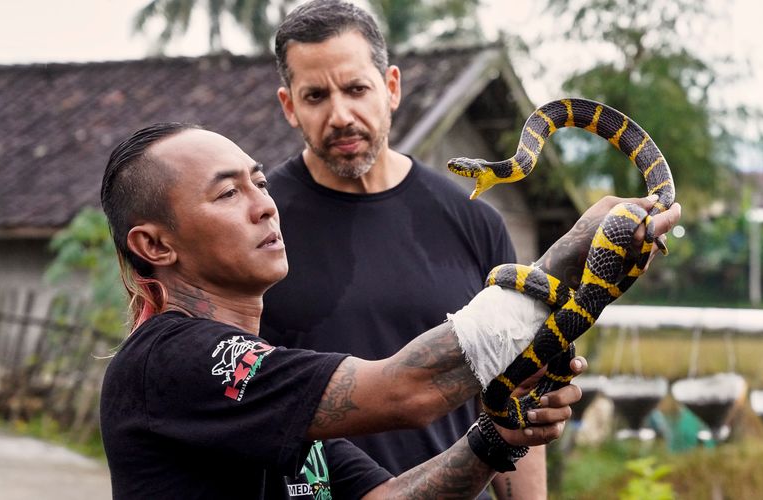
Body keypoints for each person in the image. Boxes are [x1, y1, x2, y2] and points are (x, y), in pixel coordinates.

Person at [97, 123, 679, 499]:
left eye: (259, 183)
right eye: (229, 194)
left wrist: (496, 437)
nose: (266, 208)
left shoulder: (269, 381)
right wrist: (563, 260)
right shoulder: (170, 360)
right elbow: (404, 390)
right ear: (155, 246)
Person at [261, 0, 679, 497]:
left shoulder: (475, 221)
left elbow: (519, 385)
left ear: (391, 87)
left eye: (356, 88)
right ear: (289, 105)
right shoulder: (261, 225)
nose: (340, 115)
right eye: (315, 96)